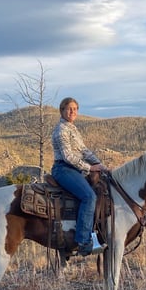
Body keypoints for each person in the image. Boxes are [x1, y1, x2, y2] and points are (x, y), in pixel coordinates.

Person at [51, 97, 108, 256]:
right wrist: (90, 168)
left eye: (75, 109)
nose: (72, 112)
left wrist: (100, 165)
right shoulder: (61, 130)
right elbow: (68, 156)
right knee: (89, 197)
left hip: (75, 169)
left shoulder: (73, 129)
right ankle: (83, 241)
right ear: (62, 111)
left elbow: (84, 151)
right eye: (69, 109)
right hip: (64, 169)